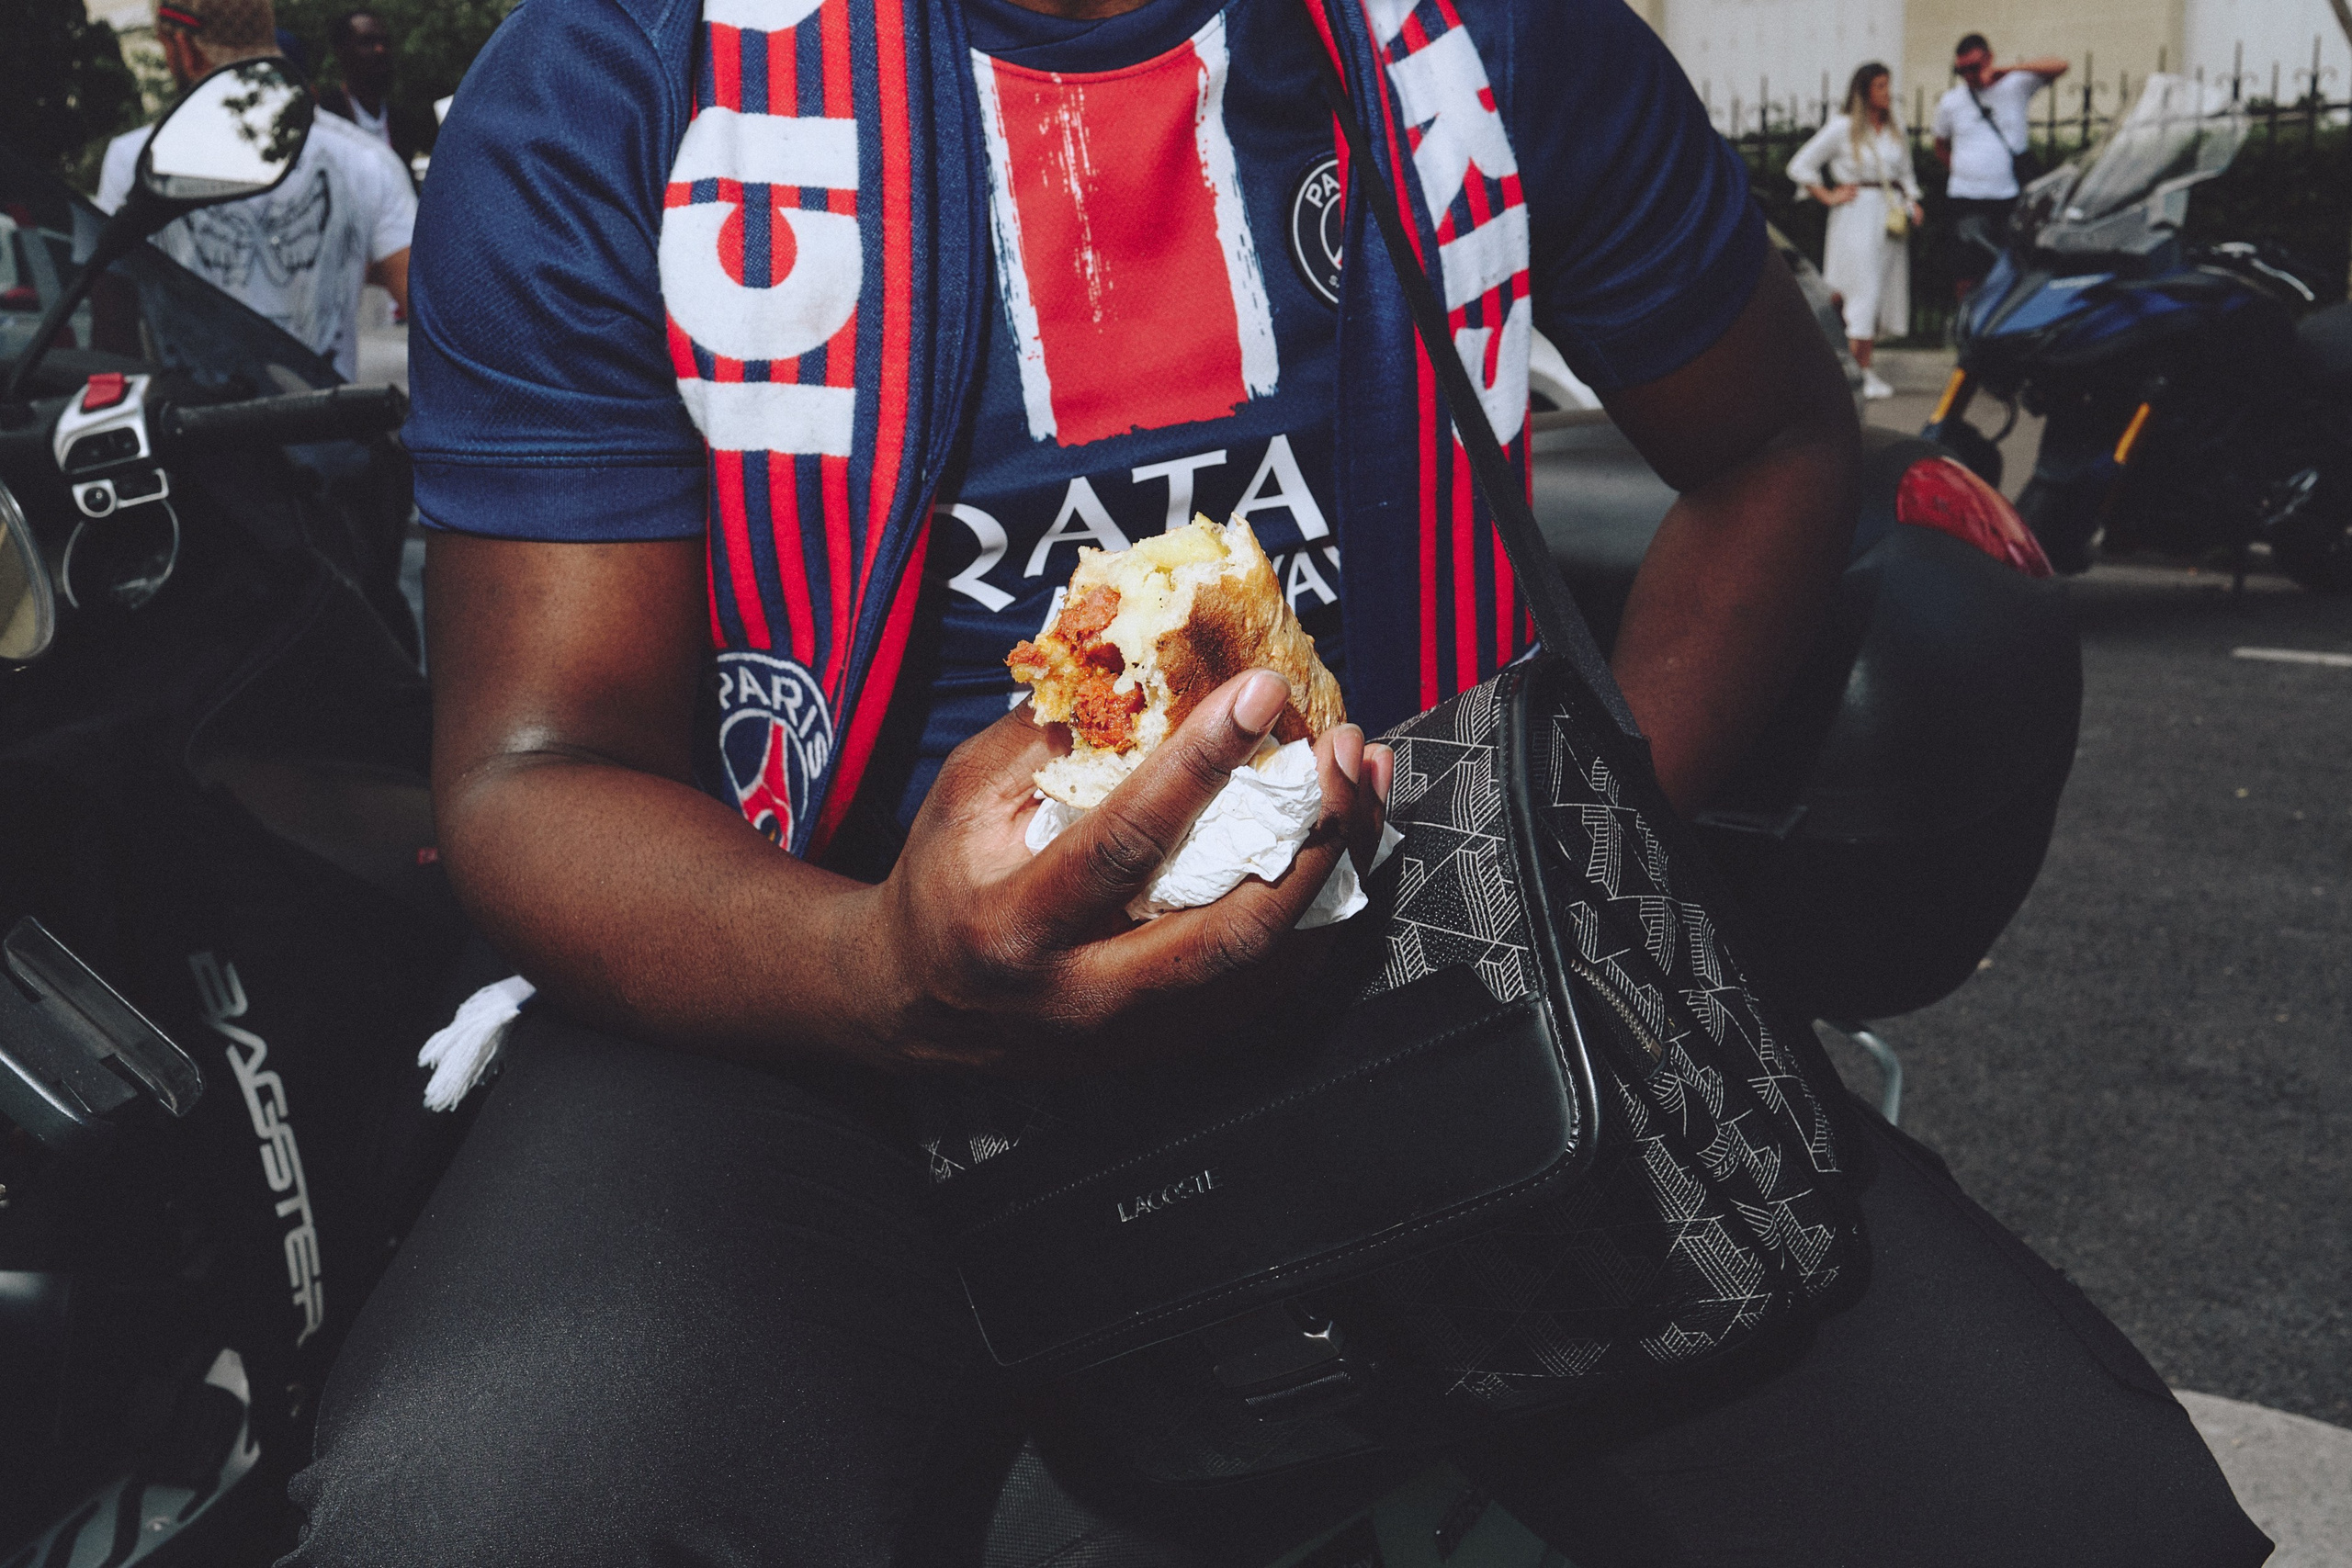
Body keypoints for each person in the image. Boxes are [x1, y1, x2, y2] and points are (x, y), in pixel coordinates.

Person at [277, 0, 2272, 1562]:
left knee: (2081, 1517)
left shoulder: (1473, 35)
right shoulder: (615, 84)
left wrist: (1568, 849)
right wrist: (881, 967)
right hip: (803, 1027)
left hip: (1411, 1004)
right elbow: (537, 769)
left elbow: (1770, 444)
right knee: (497, 1511)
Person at [95, 0, 414, 382]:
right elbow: (437, 315)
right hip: (329, 433)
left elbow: (111, 343)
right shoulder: (365, 159)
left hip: (191, 435)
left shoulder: (135, 161)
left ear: (184, 47)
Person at [1788, 62, 1922, 399]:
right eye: (1879, 86)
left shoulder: (1894, 128)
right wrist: (1828, 194)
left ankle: (1864, 366)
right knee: (1862, 288)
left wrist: (1913, 201)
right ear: (1863, 91)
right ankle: (1856, 372)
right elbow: (1800, 164)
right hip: (1856, 214)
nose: (1887, 93)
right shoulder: (1842, 127)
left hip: (1888, 215)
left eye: (1887, 85)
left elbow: (1906, 173)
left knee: (1881, 289)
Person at [1932, 33, 2068, 296]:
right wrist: (1961, 169)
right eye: (1961, 70)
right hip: (1966, 197)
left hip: (2008, 194)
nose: (1969, 76)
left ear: (1989, 59)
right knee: (1966, 272)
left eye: (1974, 67)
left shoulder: (2014, 86)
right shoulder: (1951, 102)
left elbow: (2059, 65)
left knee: (2014, 264)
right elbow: (1940, 144)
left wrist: (2007, 70)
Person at [314, 9, 436, 176]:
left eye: (385, 42)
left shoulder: (402, 121)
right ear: (341, 51)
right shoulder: (326, 119)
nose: (380, 49)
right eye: (367, 42)